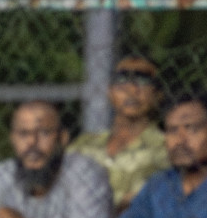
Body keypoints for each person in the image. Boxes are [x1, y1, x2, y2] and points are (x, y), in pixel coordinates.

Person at [70, 54, 167, 208]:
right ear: (110, 91)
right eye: (122, 80)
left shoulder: (167, 146)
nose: (132, 89)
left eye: (143, 80)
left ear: (158, 94)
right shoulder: (83, 143)